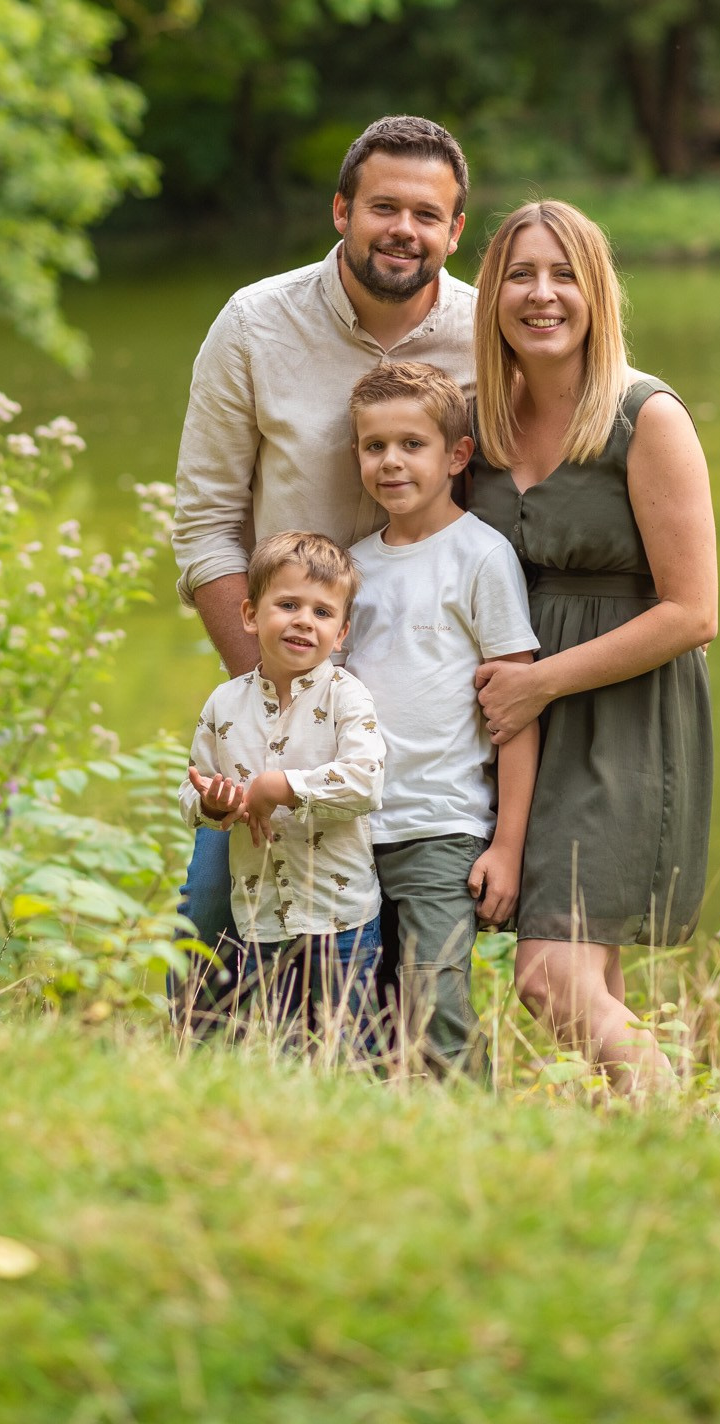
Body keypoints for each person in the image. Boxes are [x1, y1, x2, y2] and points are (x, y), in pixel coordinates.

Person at [173, 116, 475, 961]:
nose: (402, 232)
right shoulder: (254, 323)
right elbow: (205, 525)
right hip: (280, 674)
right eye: (383, 207)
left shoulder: (484, 333)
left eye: (426, 215)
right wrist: (273, 695)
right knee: (211, 930)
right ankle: (203, 1082)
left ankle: (389, 1087)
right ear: (341, 209)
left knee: (409, 960)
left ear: (454, 231)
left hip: (427, 701)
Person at [467, 200, 717, 1096]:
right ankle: (647, 1149)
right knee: (587, 974)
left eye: (563, 274)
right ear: (490, 293)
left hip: (624, 712)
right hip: (519, 729)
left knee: (549, 975)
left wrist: (543, 686)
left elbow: (692, 612)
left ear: (597, 293)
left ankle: (698, 1131)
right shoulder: (475, 427)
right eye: (520, 275)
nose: (541, 295)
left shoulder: (644, 417)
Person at [343, 361, 539, 1077]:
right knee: (360, 1010)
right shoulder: (351, 571)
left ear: (457, 456)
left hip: (442, 830)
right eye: (372, 446)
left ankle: (478, 1148)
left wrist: (507, 847)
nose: (390, 461)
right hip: (353, 829)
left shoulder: (481, 557)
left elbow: (514, 710)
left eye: (411, 444)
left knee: (436, 1010)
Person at [178, 530, 385, 1034]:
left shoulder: (347, 697)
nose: (303, 621)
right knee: (275, 1040)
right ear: (250, 615)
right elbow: (192, 791)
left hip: (340, 918)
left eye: (322, 612)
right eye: (288, 604)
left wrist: (283, 787)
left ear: (341, 634)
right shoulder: (224, 703)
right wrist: (214, 805)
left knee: (342, 1042)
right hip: (260, 915)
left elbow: (365, 782)